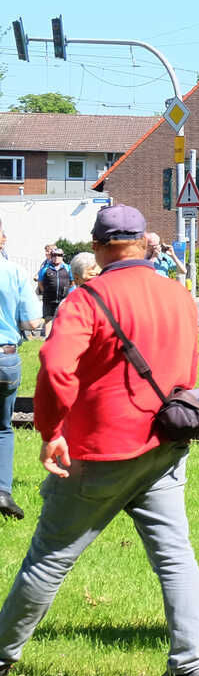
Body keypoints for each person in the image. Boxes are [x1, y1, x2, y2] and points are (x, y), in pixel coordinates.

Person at [0, 205, 199, 676]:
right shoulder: (178, 295)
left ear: (97, 247)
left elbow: (55, 366)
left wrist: (52, 430)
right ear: (143, 244)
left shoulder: (87, 298)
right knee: (176, 558)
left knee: (49, 559)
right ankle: (191, 668)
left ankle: (3, 658)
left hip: (95, 453)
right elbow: (187, 371)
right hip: (163, 444)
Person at [0, 219, 43, 522]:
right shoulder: (13, 272)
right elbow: (31, 324)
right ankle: (2, 492)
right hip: (4, 358)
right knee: (3, 429)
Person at [35, 247, 72, 337]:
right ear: (51, 256)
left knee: (63, 318)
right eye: (54, 255)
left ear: (62, 257)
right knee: (48, 319)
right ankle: (47, 338)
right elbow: (40, 282)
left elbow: (72, 281)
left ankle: (62, 337)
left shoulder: (67, 268)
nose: (56, 257)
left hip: (63, 298)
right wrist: (45, 292)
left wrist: (67, 290)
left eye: (59, 255)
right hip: (49, 298)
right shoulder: (45, 268)